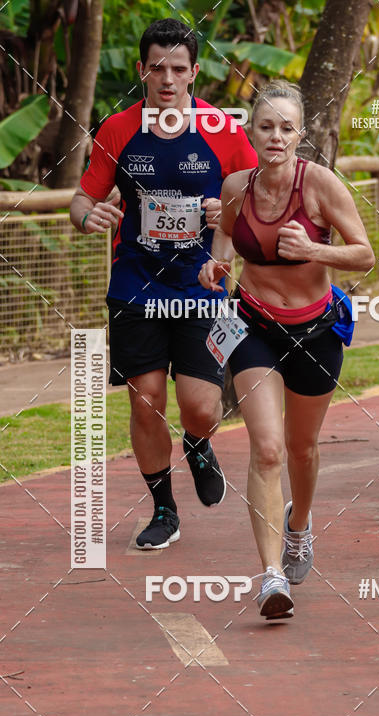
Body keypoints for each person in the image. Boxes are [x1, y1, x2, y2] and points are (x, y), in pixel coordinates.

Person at [70, 18, 257, 549]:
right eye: (158, 68)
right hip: (135, 283)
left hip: (202, 284)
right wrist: (88, 218)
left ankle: (199, 444)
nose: (168, 79)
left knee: (201, 406)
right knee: (145, 398)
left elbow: (256, 198)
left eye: (179, 68)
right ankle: (164, 510)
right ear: (142, 71)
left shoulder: (223, 129)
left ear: (195, 71)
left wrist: (231, 213)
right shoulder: (118, 129)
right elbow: (83, 198)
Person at [199, 80, 375, 620]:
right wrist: (218, 261)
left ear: (302, 134)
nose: (275, 136)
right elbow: (227, 233)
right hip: (252, 328)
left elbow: (365, 254)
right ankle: (272, 576)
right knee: (268, 448)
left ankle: (299, 526)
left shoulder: (320, 186)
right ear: (251, 130)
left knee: (302, 448)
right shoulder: (235, 186)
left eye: (286, 127)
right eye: (266, 126)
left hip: (315, 332)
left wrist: (314, 248)